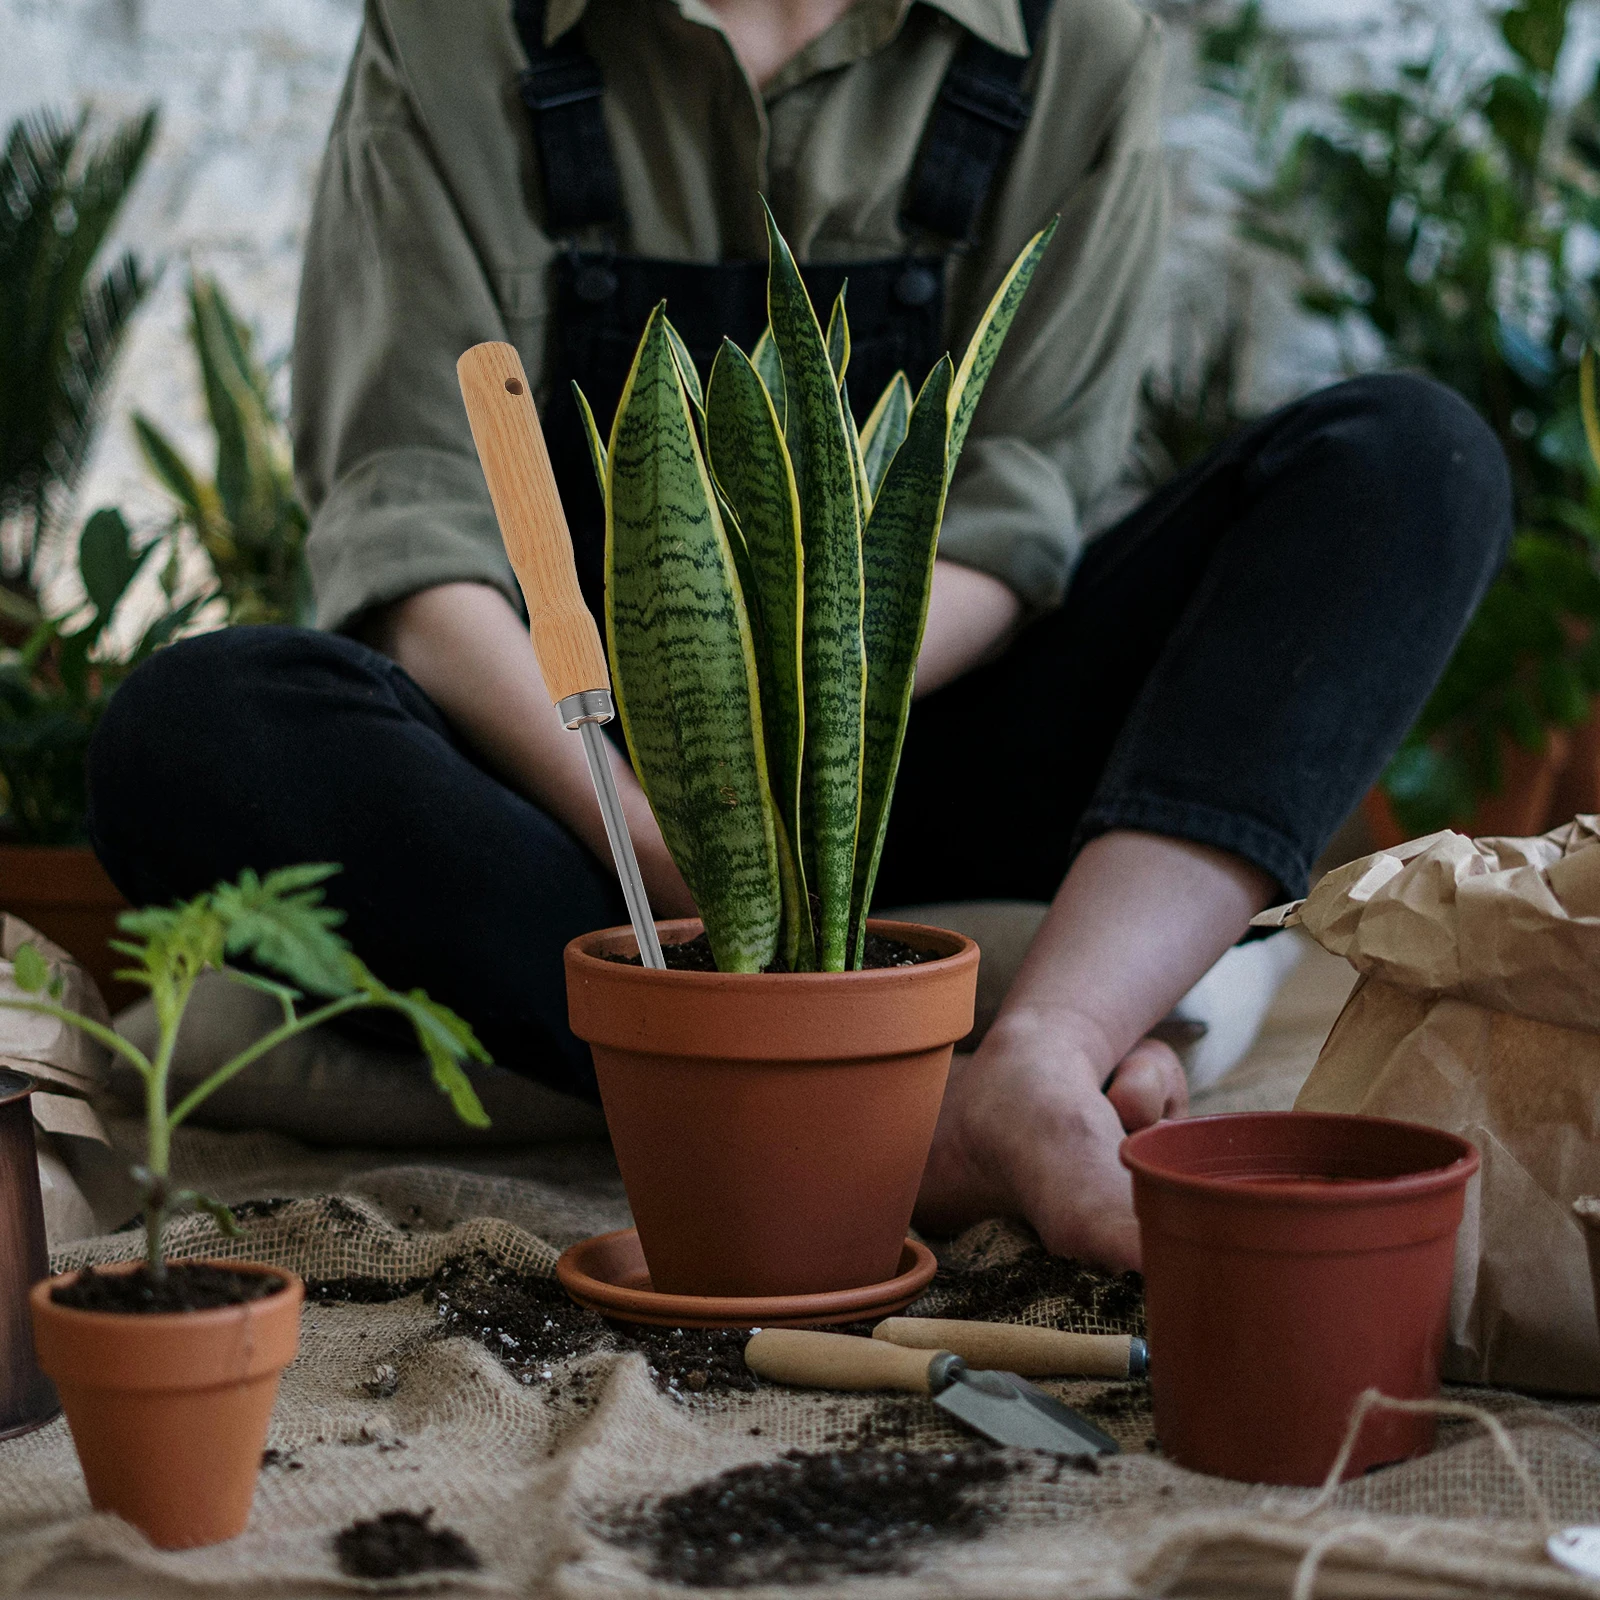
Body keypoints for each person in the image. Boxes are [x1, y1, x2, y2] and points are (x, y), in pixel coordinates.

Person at [87, 0, 1511, 1270]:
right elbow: (416, 528)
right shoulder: (458, 29)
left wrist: (812, 736)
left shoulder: (1071, 38)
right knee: (194, 728)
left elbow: (1017, 520)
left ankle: (1040, 1054)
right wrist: (659, 831)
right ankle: (888, 1103)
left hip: (923, 744)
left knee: (1411, 460)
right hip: (584, 813)